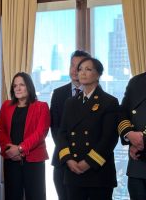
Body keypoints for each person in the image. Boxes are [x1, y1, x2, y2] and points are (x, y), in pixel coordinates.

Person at [58, 57, 119, 200]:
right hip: (73, 171)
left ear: (98, 74)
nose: (83, 73)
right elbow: (62, 133)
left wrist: (88, 163)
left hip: (98, 173)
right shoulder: (70, 102)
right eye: (80, 69)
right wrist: (68, 160)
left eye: (88, 69)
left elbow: (109, 139)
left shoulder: (109, 101)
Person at [0, 72, 50, 200]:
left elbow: (40, 133)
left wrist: (20, 149)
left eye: (22, 85)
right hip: (11, 159)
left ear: (29, 86)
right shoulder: (6, 106)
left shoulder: (41, 106)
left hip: (33, 159)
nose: (18, 88)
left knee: (36, 195)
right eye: (15, 86)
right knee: (12, 195)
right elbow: (0, 129)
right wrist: (10, 149)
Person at [50, 50, 90, 200]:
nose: (74, 70)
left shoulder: (98, 96)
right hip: (62, 162)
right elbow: (55, 129)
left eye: (79, 66)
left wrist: (84, 160)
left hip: (88, 164)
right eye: (72, 65)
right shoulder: (58, 93)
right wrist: (68, 157)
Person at [118, 72, 146, 200]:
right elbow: (122, 112)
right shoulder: (136, 81)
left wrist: (142, 141)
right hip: (137, 166)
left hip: (138, 152)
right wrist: (129, 134)